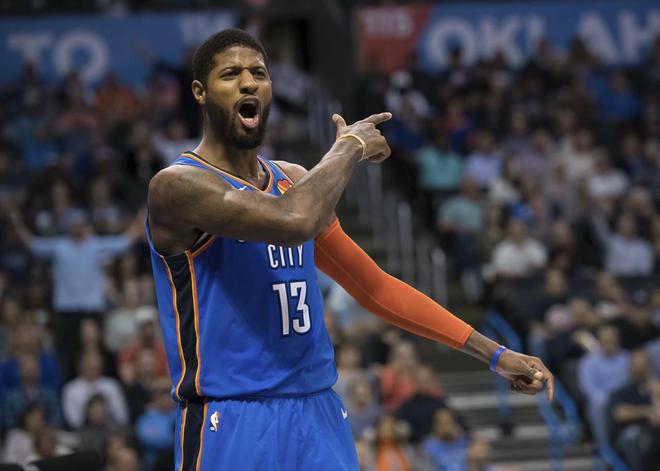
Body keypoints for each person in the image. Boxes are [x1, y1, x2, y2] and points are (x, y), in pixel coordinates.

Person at [146, 29, 553, 470]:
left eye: (258, 73)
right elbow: (293, 220)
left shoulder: (293, 181)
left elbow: (376, 288)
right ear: (200, 92)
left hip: (319, 412)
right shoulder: (178, 185)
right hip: (233, 416)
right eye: (230, 74)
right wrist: (349, 148)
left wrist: (495, 354)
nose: (248, 83)